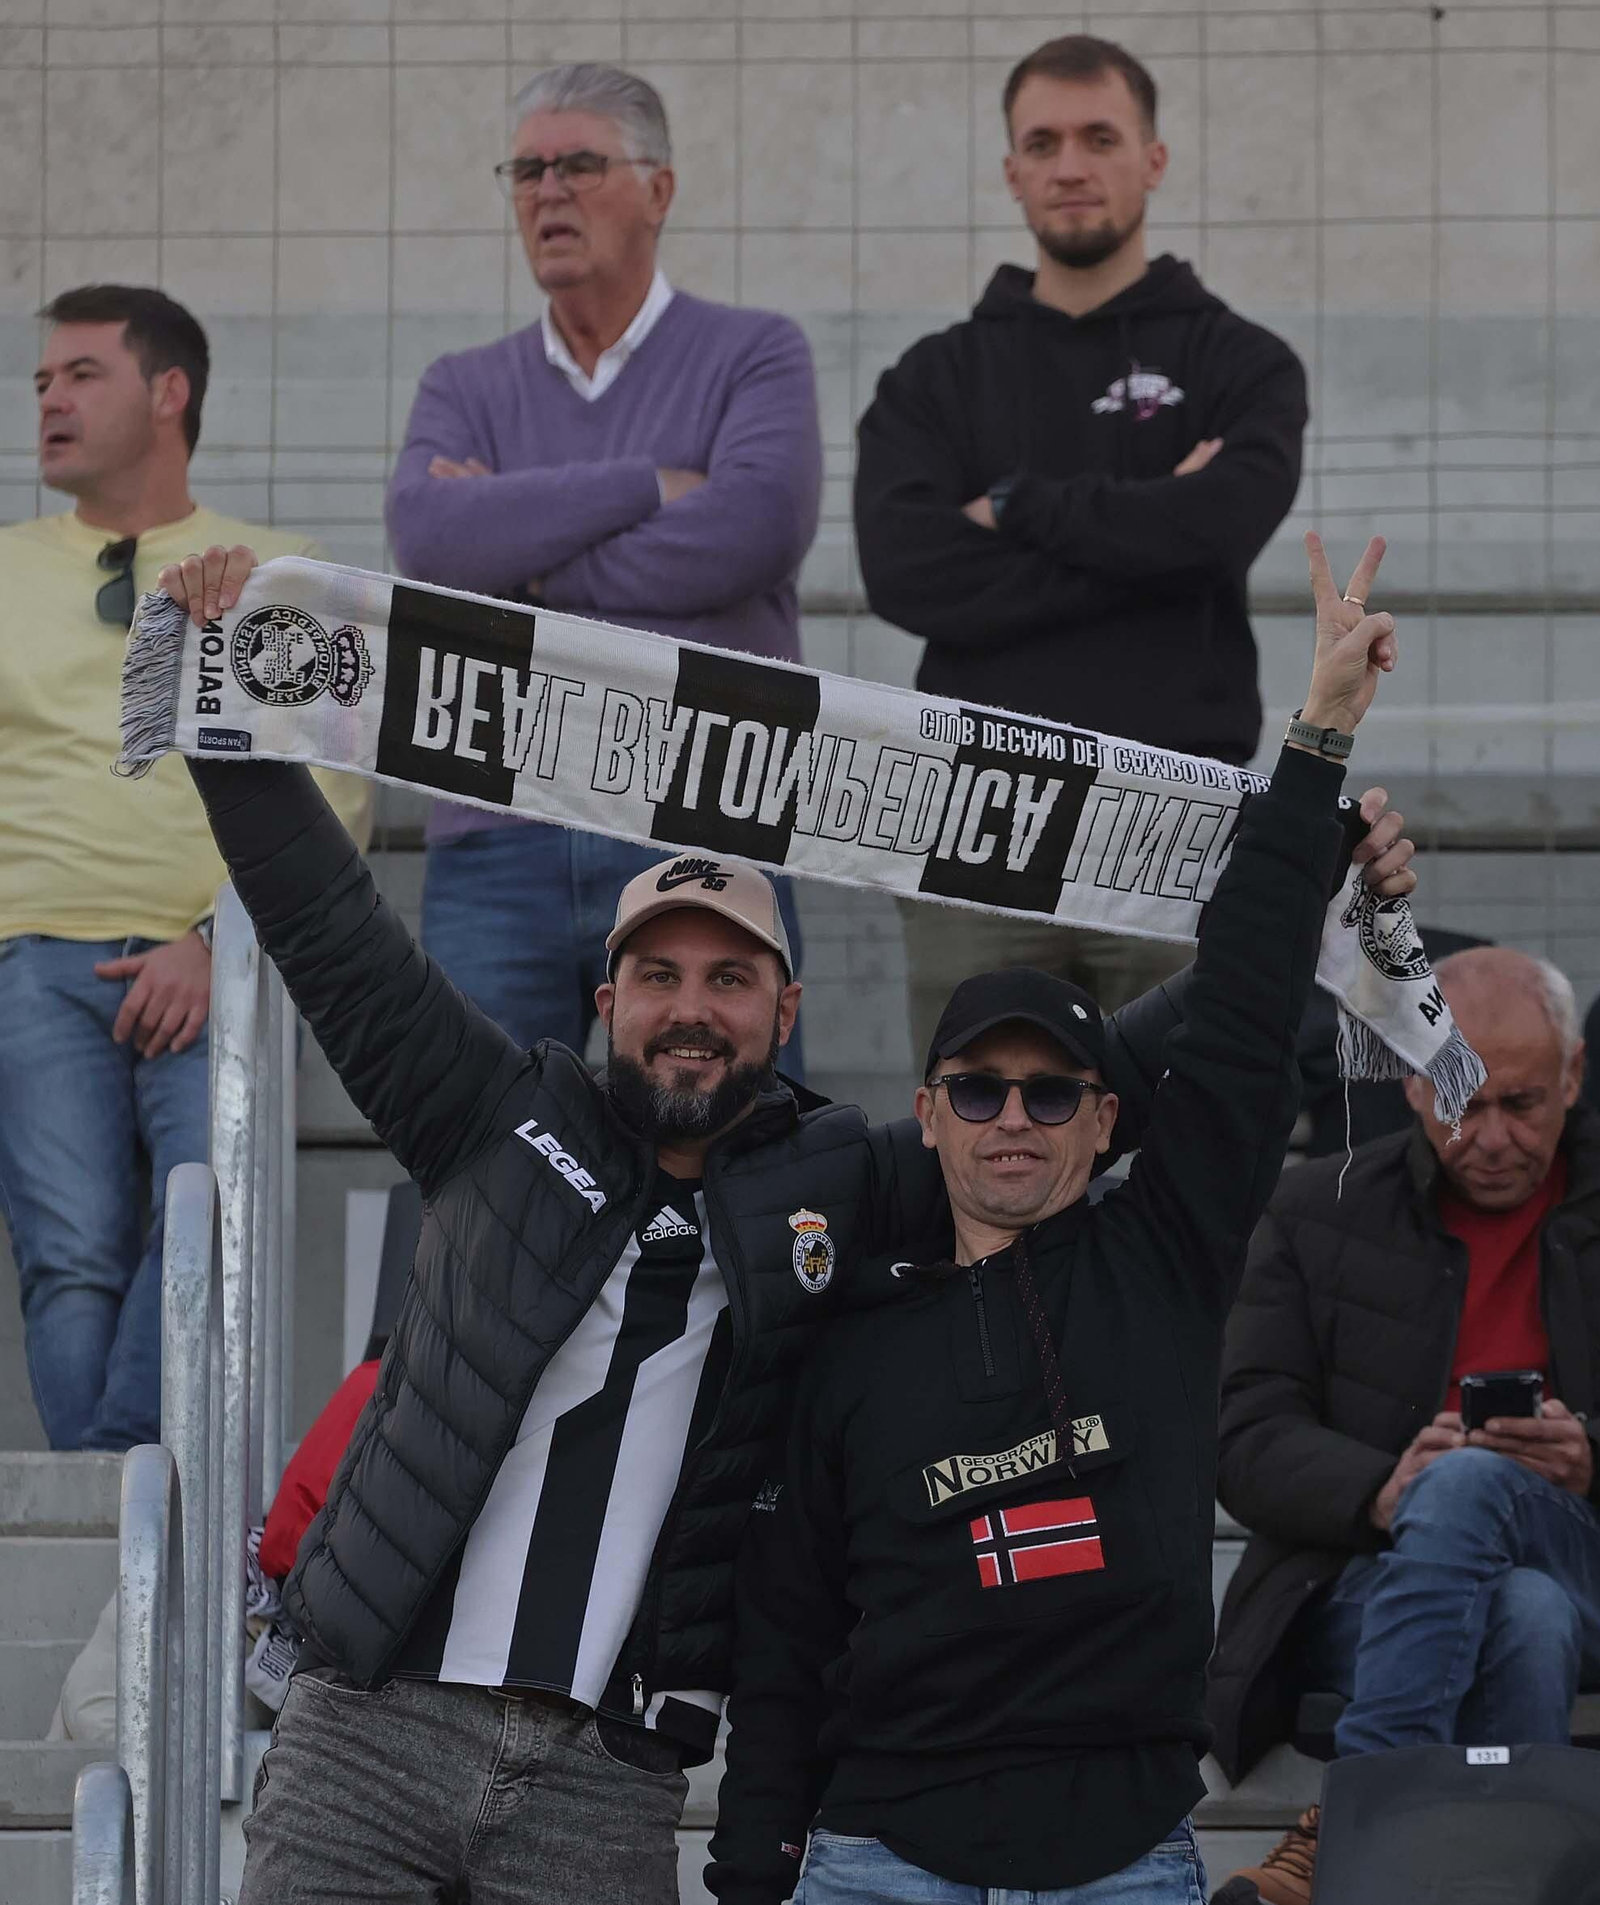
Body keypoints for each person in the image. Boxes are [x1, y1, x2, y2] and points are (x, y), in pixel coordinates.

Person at [155, 534, 1411, 1904]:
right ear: (605, 999)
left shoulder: (844, 1175)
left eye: (732, 977)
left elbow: (1135, 1053)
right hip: (373, 1734)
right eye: (659, 974)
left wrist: (1314, 866)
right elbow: (329, 928)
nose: (692, 1006)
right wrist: (235, 705)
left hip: (605, 1774)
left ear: (787, 1011)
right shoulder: (488, 1115)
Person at [704, 537, 1402, 1905]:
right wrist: (748, 1868)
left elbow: (1250, 1004)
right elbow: (785, 1636)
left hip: (1120, 1862)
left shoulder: (1166, 1256)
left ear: (1104, 1118)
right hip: (874, 1861)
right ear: (929, 1107)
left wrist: (1315, 736)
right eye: (978, 1087)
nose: (1012, 1114)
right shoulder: (846, 1324)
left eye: (1048, 1090)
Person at [854, 34, 1308, 1051]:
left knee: (1193, 1161)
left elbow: (1219, 527)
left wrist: (1012, 507)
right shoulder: (934, 380)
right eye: (1043, 141)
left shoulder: (1240, 362)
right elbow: (903, 569)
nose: (1070, 165)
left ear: (1152, 157)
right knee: (981, 1162)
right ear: (1010, 169)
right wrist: (1148, 535)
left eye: (1099, 137)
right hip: (976, 824)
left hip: (1178, 822)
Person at [386, 61, 821, 1065]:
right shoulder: (463, 383)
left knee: (732, 1161)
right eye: (527, 169)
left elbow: (750, 531)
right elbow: (431, 539)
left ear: (658, 190)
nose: (548, 191)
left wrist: (522, 568)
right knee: (482, 1161)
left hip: (701, 820)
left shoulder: (756, 354)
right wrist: (650, 484)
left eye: (579, 164)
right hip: (496, 833)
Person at [0, 284, 370, 1454]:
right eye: (44, 379)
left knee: (205, 1231)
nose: (49, 397)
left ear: (170, 394)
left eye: (81, 374)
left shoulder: (277, 571)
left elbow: (339, 792)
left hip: (217, 957)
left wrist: (218, 944)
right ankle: (116, 1528)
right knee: (67, 1256)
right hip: (29, 949)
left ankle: (117, 1506)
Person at [1210, 946, 1600, 1905]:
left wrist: (1591, 1451)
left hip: (1582, 1551)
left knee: (1479, 1503)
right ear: (1414, 1078)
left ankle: (1347, 1825)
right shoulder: (1316, 1211)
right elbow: (1245, 1437)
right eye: (1467, 1100)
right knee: (1522, 1616)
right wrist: (1382, 1487)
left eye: (1525, 1103)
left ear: (1575, 1076)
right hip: (1360, 1585)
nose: (1496, 1136)